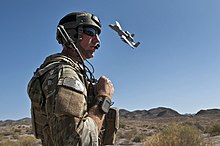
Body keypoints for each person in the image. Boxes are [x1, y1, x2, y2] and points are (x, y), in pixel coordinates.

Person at [27, 11, 117, 146]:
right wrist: (104, 98)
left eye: (98, 34)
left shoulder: (70, 71)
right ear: (72, 35)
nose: (98, 41)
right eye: (91, 32)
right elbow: (76, 141)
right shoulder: (65, 74)